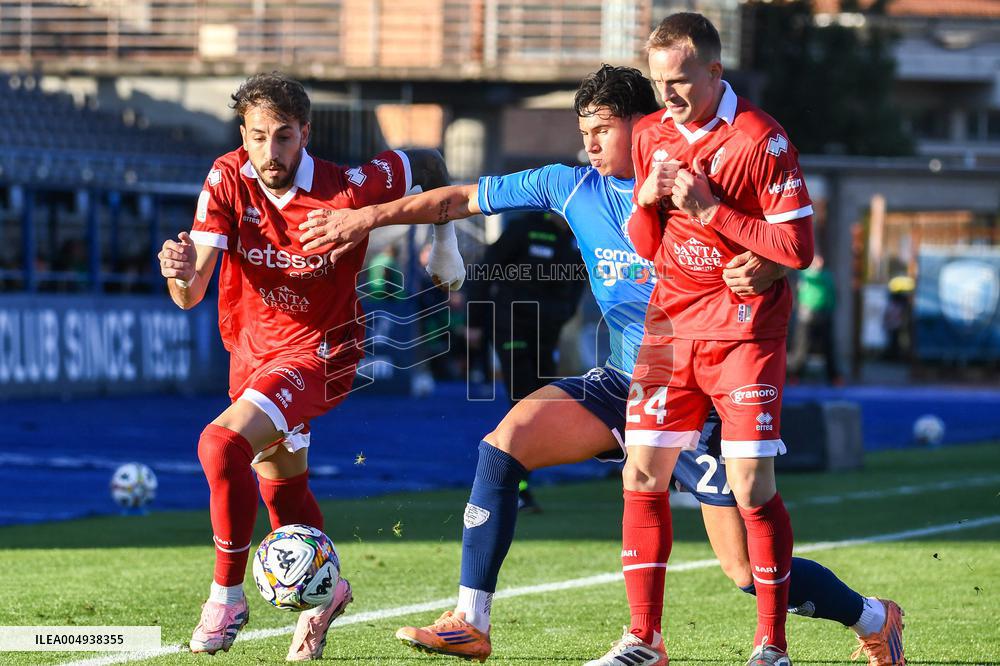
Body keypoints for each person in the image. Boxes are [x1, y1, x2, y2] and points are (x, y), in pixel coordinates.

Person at [299, 64, 904, 666]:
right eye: (582, 129)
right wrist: (365, 217)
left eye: (602, 129)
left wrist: (767, 266)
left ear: (642, 127)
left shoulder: (694, 176)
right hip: (623, 380)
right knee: (502, 446)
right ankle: (472, 620)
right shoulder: (570, 185)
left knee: (745, 571)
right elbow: (461, 198)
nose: (588, 143)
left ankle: (874, 617)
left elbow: (782, 240)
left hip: (701, 383)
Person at [619, 13, 900, 666]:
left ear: (715, 73)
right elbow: (645, 244)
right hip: (668, 327)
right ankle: (644, 639)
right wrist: (647, 202)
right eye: (661, 82)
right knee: (640, 472)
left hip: (744, 332)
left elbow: (798, 246)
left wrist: (713, 210)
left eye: (682, 80)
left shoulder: (760, 139)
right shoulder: (650, 135)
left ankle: (772, 645)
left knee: (750, 486)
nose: (670, 95)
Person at [156, 72, 465, 660]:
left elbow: (428, 161)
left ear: (305, 134)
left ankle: (226, 598)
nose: (270, 152)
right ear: (241, 135)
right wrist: (177, 270)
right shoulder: (226, 177)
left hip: (321, 351)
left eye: (283, 137)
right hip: (250, 352)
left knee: (220, 447)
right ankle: (325, 596)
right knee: (283, 489)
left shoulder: (347, 187)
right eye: (257, 137)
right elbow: (190, 294)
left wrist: (443, 244)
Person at [467, 210, 588, 512]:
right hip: (511, 326)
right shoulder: (524, 229)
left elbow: (579, 283)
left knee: (541, 408)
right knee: (522, 403)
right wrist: (474, 321)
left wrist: (564, 314)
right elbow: (486, 269)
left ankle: (520, 483)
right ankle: (510, 485)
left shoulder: (577, 239)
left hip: (547, 334)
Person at [788, 254, 842, 384]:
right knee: (802, 346)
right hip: (807, 315)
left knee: (829, 347)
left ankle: (834, 376)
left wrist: (831, 308)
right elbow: (811, 279)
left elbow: (832, 293)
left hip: (824, 314)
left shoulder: (827, 275)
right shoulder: (805, 275)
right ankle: (795, 375)